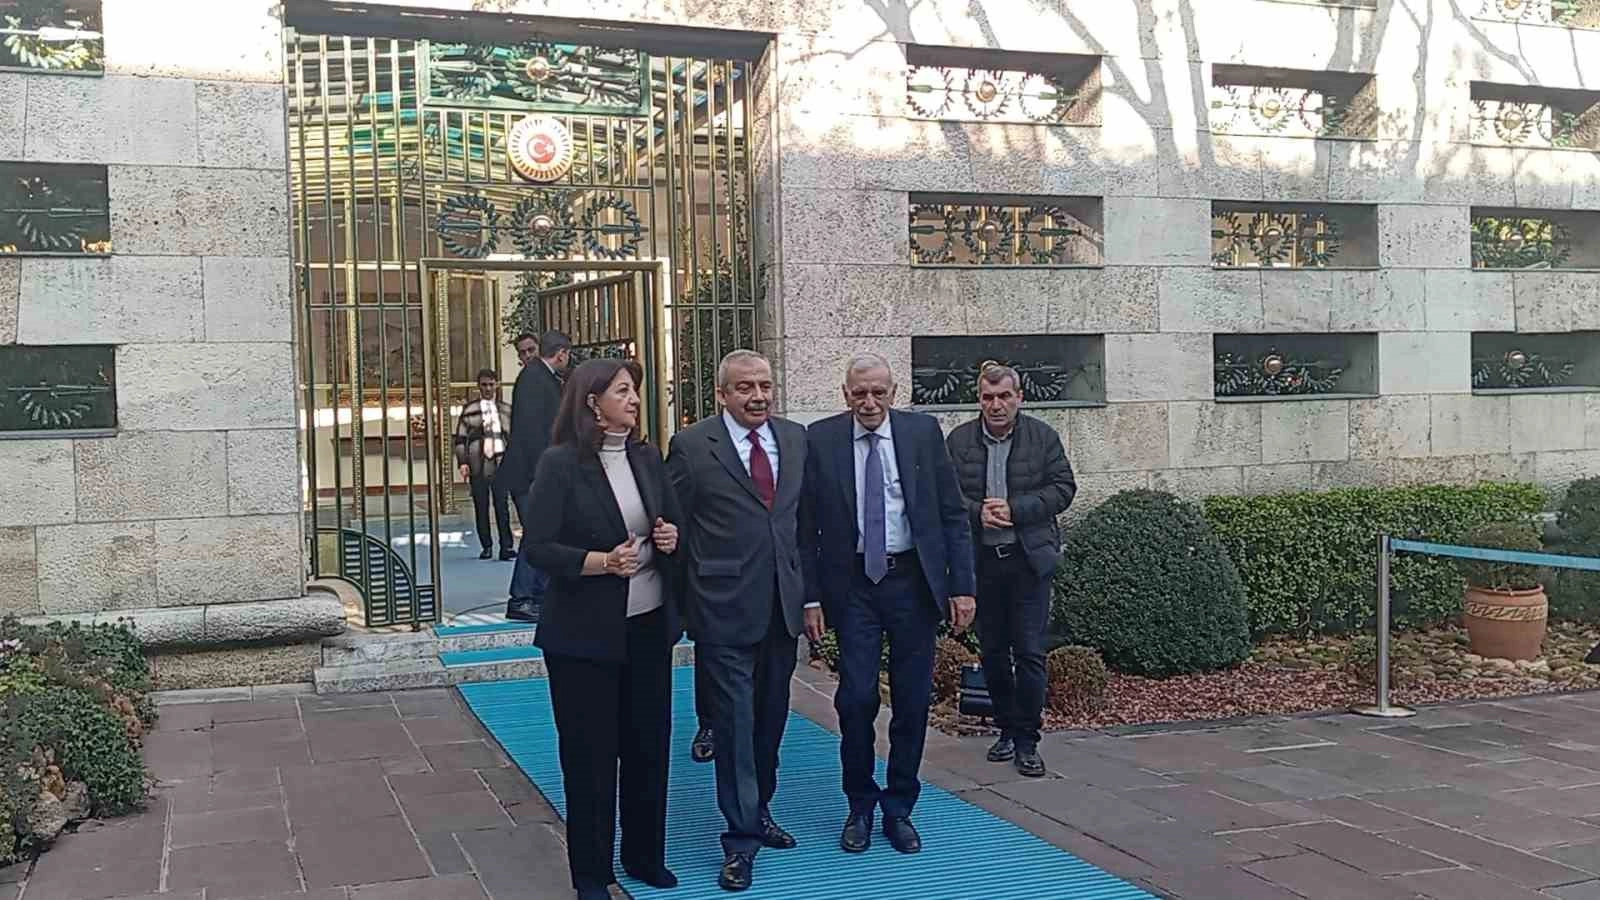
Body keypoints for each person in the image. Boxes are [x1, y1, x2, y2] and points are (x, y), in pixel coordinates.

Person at [799, 352, 975, 856]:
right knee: (856, 699)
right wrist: (811, 597)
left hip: (911, 583)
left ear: (894, 393)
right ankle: (859, 804)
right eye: (860, 393)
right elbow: (804, 528)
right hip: (852, 586)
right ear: (845, 395)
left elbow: (952, 514)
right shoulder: (821, 439)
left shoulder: (922, 434)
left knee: (912, 701)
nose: (870, 402)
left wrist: (962, 586)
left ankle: (899, 807)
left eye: (879, 392)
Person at [521, 357, 684, 900]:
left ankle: (644, 856)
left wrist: (670, 537)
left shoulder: (647, 457)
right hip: (583, 638)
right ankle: (592, 874)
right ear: (593, 402)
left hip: (648, 629)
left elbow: (671, 521)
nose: (634, 400)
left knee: (648, 748)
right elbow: (539, 547)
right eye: (622, 391)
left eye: (634, 391)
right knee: (590, 759)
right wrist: (600, 562)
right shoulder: (560, 464)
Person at [666, 350, 808, 892]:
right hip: (721, 608)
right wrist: (685, 605)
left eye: (765, 385)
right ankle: (740, 840)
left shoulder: (795, 439)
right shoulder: (691, 446)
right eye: (745, 387)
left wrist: (810, 597)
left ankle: (759, 809)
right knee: (734, 725)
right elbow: (675, 527)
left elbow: (804, 524)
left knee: (770, 721)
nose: (758, 396)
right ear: (722, 394)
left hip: (781, 608)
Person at [945, 363, 1076, 778]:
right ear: (979, 399)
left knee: (1031, 652)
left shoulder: (1042, 437)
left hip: (1028, 562)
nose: (996, 405)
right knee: (994, 653)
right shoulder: (959, 441)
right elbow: (945, 495)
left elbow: (1064, 488)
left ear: (1020, 397)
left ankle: (1028, 740)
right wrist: (976, 513)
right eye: (988, 397)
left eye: (1004, 396)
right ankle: (1004, 729)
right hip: (982, 563)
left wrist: (1017, 509)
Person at [499, 330, 571, 621]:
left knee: (545, 533)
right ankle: (521, 598)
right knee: (537, 535)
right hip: (531, 475)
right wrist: (545, 475)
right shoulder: (534, 377)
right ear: (562, 353)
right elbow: (533, 433)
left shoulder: (541, 377)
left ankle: (539, 596)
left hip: (534, 473)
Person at [453, 368, 515, 560]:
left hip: (501, 463)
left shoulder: (506, 410)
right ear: (478, 387)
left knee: (502, 506)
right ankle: (486, 546)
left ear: (496, 385)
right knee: (481, 506)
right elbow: (460, 438)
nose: (488, 388)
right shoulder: (469, 410)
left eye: (491, 384)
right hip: (477, 463)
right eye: (484, 385)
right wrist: (462, 462)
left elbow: (513, 439)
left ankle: (506, 547)